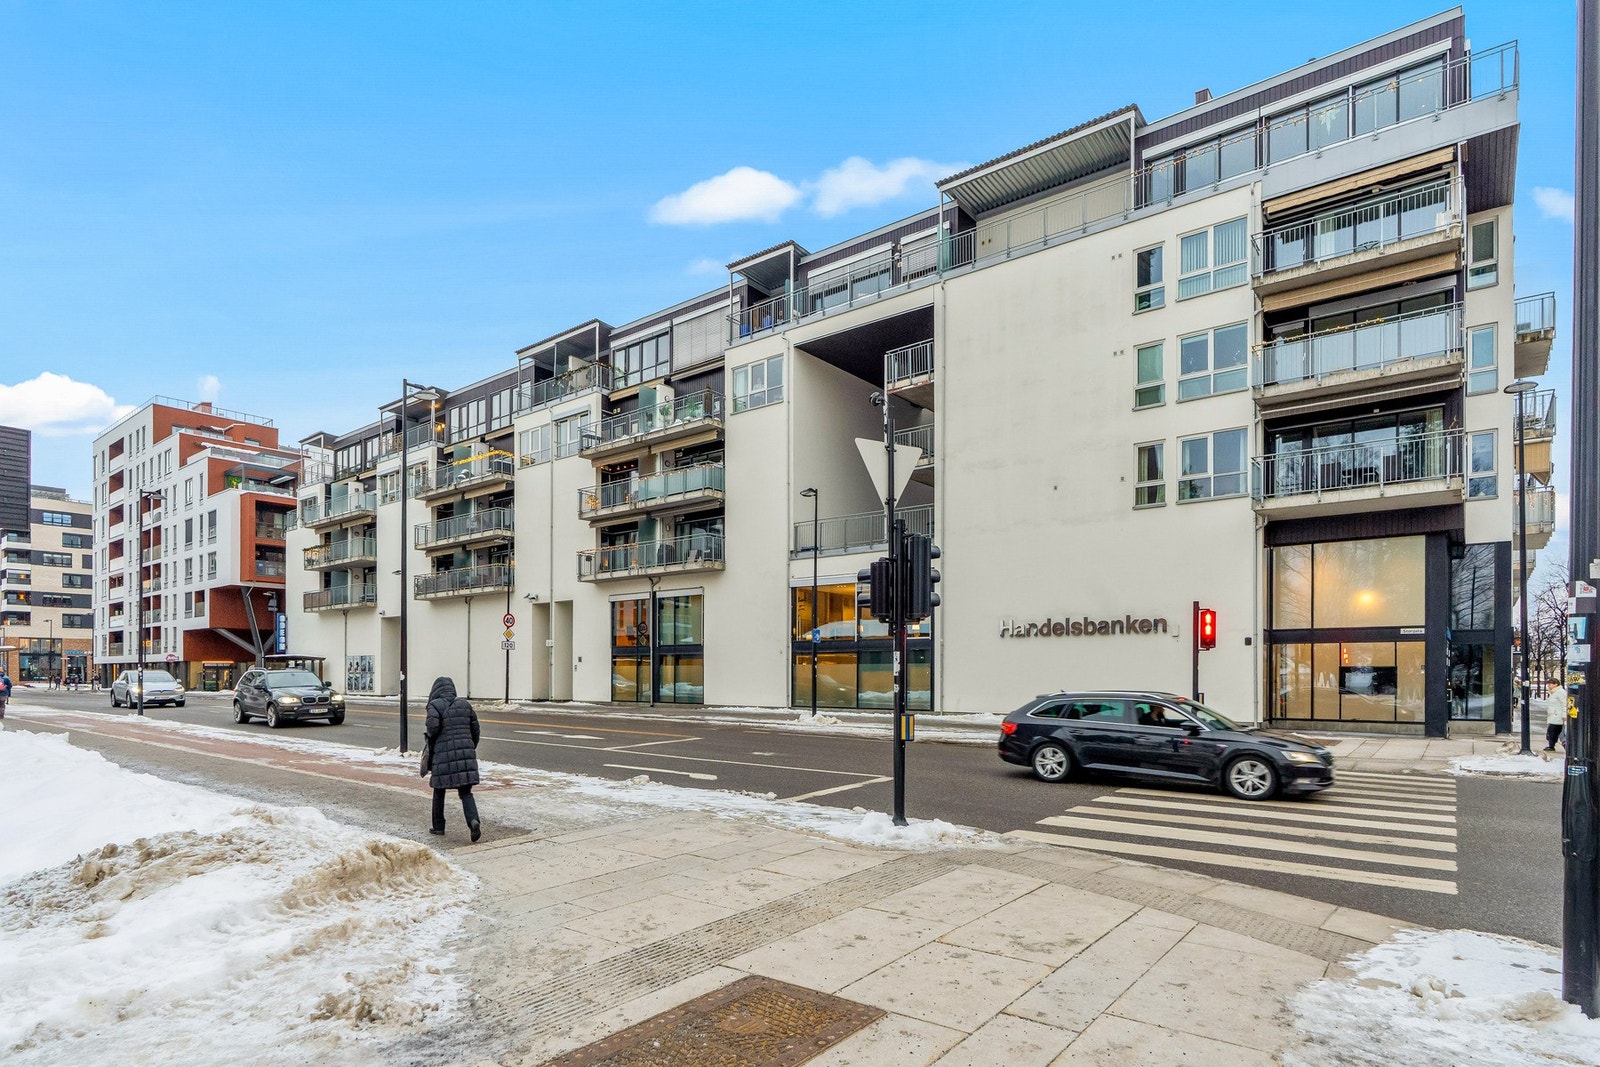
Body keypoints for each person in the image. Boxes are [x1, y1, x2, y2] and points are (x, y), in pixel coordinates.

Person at [423, 676, 481, 841]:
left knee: (439, 791)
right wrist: (469, 747)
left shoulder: (435, 706)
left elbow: (432, 729)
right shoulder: (465, 705)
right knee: (465, 792)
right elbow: (475, 730)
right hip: (466, 754)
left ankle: (438, 826)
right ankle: (473, 821)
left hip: (442, 756)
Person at [1545, 682, 1570, 753]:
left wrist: (1564, 714)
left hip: (1557, 716)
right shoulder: (1553, 693)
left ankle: (1553, 746)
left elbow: (1564, 704)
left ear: (1555, 684)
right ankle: (1551, 746)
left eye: (1550, 684)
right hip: (1554, 715)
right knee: (1552, 732)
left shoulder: (1560, 692)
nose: (1548, 686)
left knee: (1554, 732)